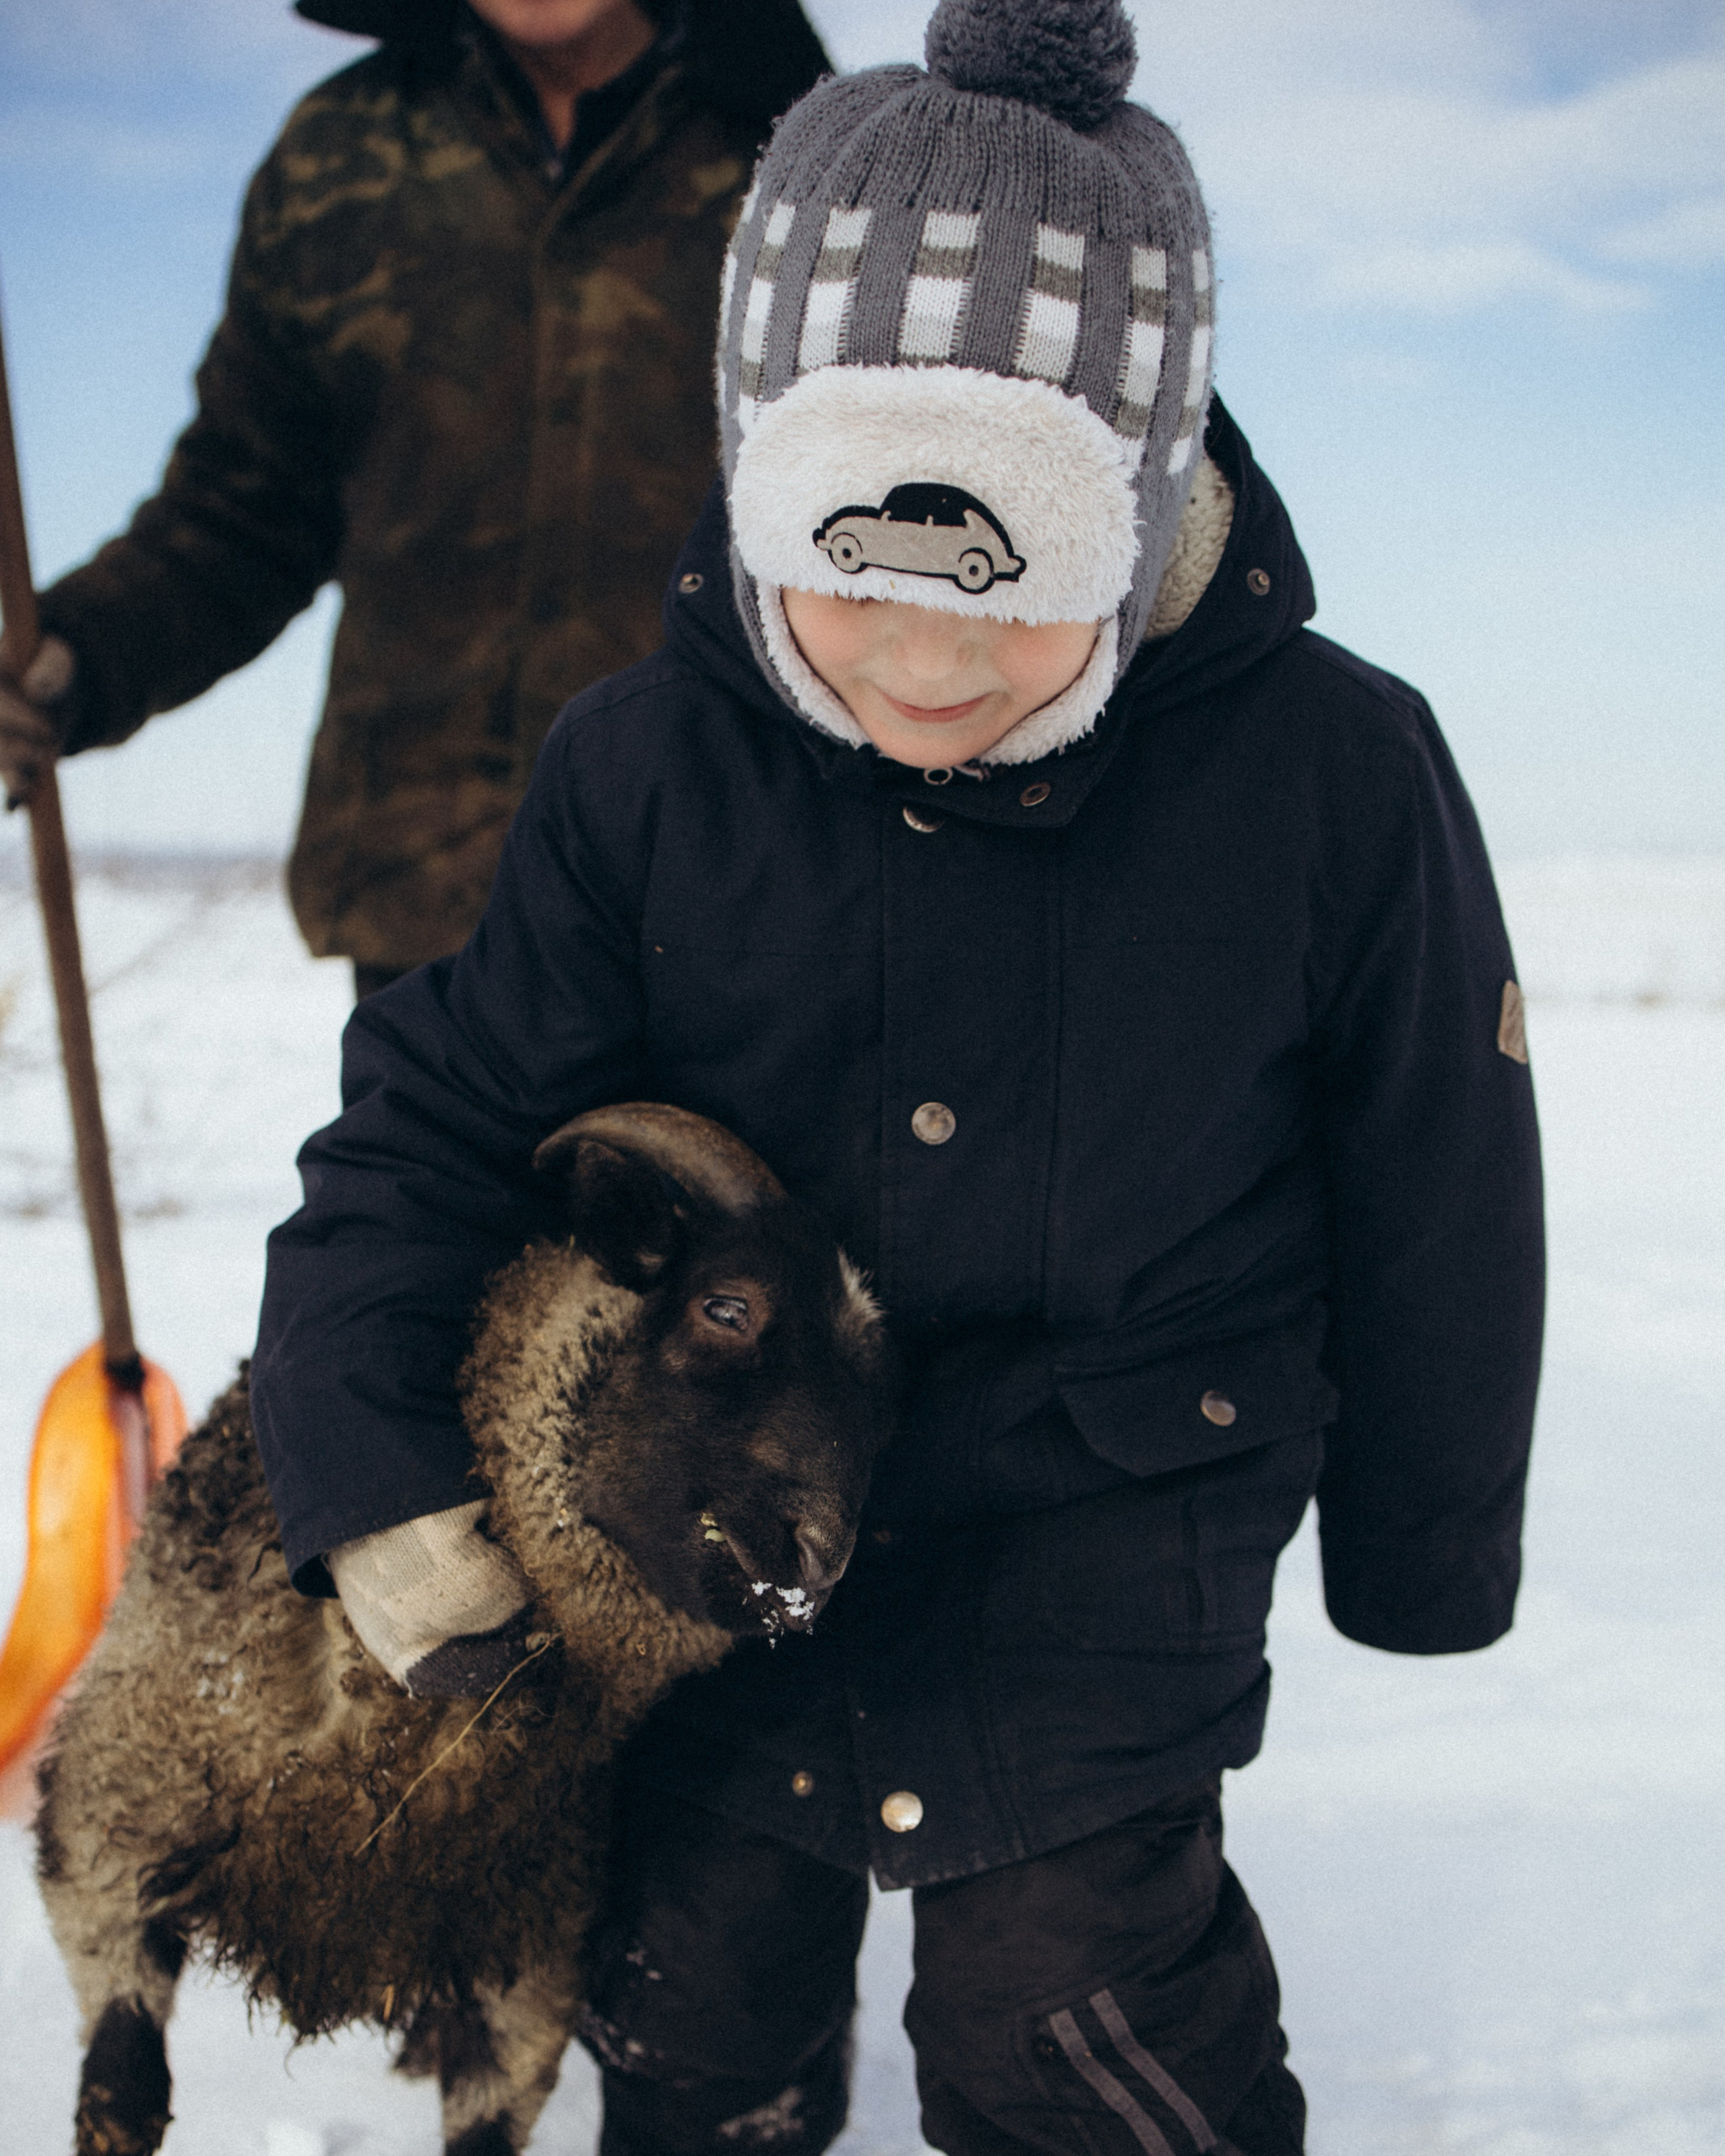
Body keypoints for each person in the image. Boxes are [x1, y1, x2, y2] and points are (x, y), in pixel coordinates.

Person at [249, 0, 1546, 2149]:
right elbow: (437, 1120)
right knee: (696, 1996)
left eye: (1010, 594)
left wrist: (1426, 1550)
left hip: (1119, 1523)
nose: (927, 670)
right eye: (859, 581)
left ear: (1138, 508)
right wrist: (365, 1456)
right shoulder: (640, 765)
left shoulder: (1334, 771)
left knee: (1079, 2020)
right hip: (715, 1524)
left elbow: (1439, 1175)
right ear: (764, 471)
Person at [0, 0, 827, 993]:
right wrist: (73, 653)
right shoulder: (333, 160)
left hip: (746, 913)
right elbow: (244, 515)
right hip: (426, 914)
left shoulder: (815, 161)